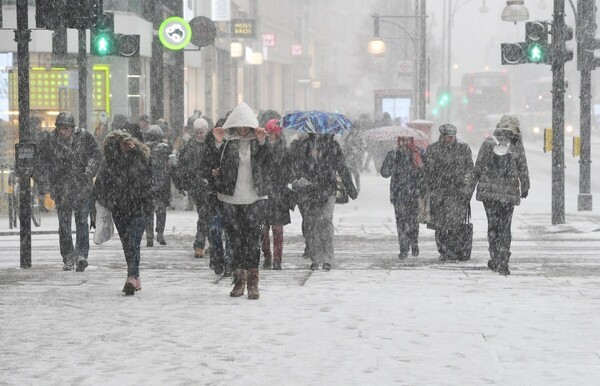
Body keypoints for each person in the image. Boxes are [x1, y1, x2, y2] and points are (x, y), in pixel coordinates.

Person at [211, 102, 271, 299]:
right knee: (235, 239)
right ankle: (238, 280)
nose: (243, 129)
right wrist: (217, 144)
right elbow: (212, 164)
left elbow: (269, 162)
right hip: (230, 197)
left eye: (247, 125)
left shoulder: (258, 142)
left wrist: (263, 143)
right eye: (240, 125)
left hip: (255, 197)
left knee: (252, 239)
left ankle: (253, 282)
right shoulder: (228, 142)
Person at [35, 111, 102, 271]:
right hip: (61, 188)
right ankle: (67, 257)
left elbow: (96, 154)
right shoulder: (50, 141)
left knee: (82, 223)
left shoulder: (85, 137)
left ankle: (81, 255)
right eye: (60, 128)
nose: (63, 131)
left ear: (72, 128)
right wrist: (44, 184)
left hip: (82, 187)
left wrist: (90, 169)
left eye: (66, 128)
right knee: (64, 225)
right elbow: (41, 163)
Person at [466, 114, 529, 275]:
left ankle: (495, 257)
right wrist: (525, 185)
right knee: (505, 227)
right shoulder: (516, 145)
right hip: (508, 194)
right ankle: (503, 259)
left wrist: (469, 189)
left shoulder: (488, 143)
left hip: (490, 195)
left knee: (493, 226)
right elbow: (522, 166)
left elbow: (478, 167)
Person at [93, 130, 153, 295]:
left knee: (133, 241)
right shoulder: (110, 162)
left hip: (140, 206)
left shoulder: (140, 157)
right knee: (128, 244)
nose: (126, 147)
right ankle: (136, 276)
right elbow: (100, 185)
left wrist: (135, 154)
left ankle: (131, 277)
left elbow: (148, 176)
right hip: (120, 208)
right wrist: (100, 206)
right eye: (122, 144)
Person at [288, 133, 358, 271]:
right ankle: (315, 258)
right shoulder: (305, 145)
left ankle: (327, 259)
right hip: (309, 190)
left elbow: (342, 167)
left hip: (327, 190)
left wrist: (351, 189)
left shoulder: (333, 145)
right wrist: (304, 169)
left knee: (326, 221)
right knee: (311, 223)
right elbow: (295, 165)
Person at [424, 123, 474, 262]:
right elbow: (427, 172)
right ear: (441, 136)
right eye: (446, 137)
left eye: (451, 137)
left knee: (456, 224)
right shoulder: (433, 149)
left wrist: (467, 191)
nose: (448, 140)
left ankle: (455, 250)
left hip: (457, 193)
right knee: (440, 225)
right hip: (439, 192)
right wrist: (430, 188)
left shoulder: (463, 149)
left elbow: (470, 170)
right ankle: (444, 251)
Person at [380, 136, 424, 259]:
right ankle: (403, 248)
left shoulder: (418, 153)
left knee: (413, 221)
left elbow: (425, 170)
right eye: (402, 140)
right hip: (398, 194)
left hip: (414, 193)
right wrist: (392, 163)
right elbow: (384, 172)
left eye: (407, 140)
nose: (405, 143)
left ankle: (414, 242)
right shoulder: (393, 154)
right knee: (401, 222)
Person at [178, 118, 212, 259]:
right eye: (197, 132)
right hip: (197, 187)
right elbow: (183, 165)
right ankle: (206, 243)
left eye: (201, 132)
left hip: (210, 185)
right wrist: (187, 181)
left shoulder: (210, 145)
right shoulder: (189, 146)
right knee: (204, 214)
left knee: (206, 215)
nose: (199, 135)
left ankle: (202, 243)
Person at [261, 119, 292, 270]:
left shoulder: (284, 151)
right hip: (264, 194)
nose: (272, 136)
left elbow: (288, 172)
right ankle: (267, 256)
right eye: (270, 133)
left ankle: (277, 259)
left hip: (278, 195)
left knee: (277, 230)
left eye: (274, 133)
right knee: (263, 230)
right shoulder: (261, 149)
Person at [144, 125, 172, 247]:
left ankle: (149, 236)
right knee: (161, 210)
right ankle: (160, 233)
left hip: (149, 183)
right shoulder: (165, 148)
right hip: (162, 183)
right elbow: (172, 164)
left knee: (149, 211)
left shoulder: (144, 149)